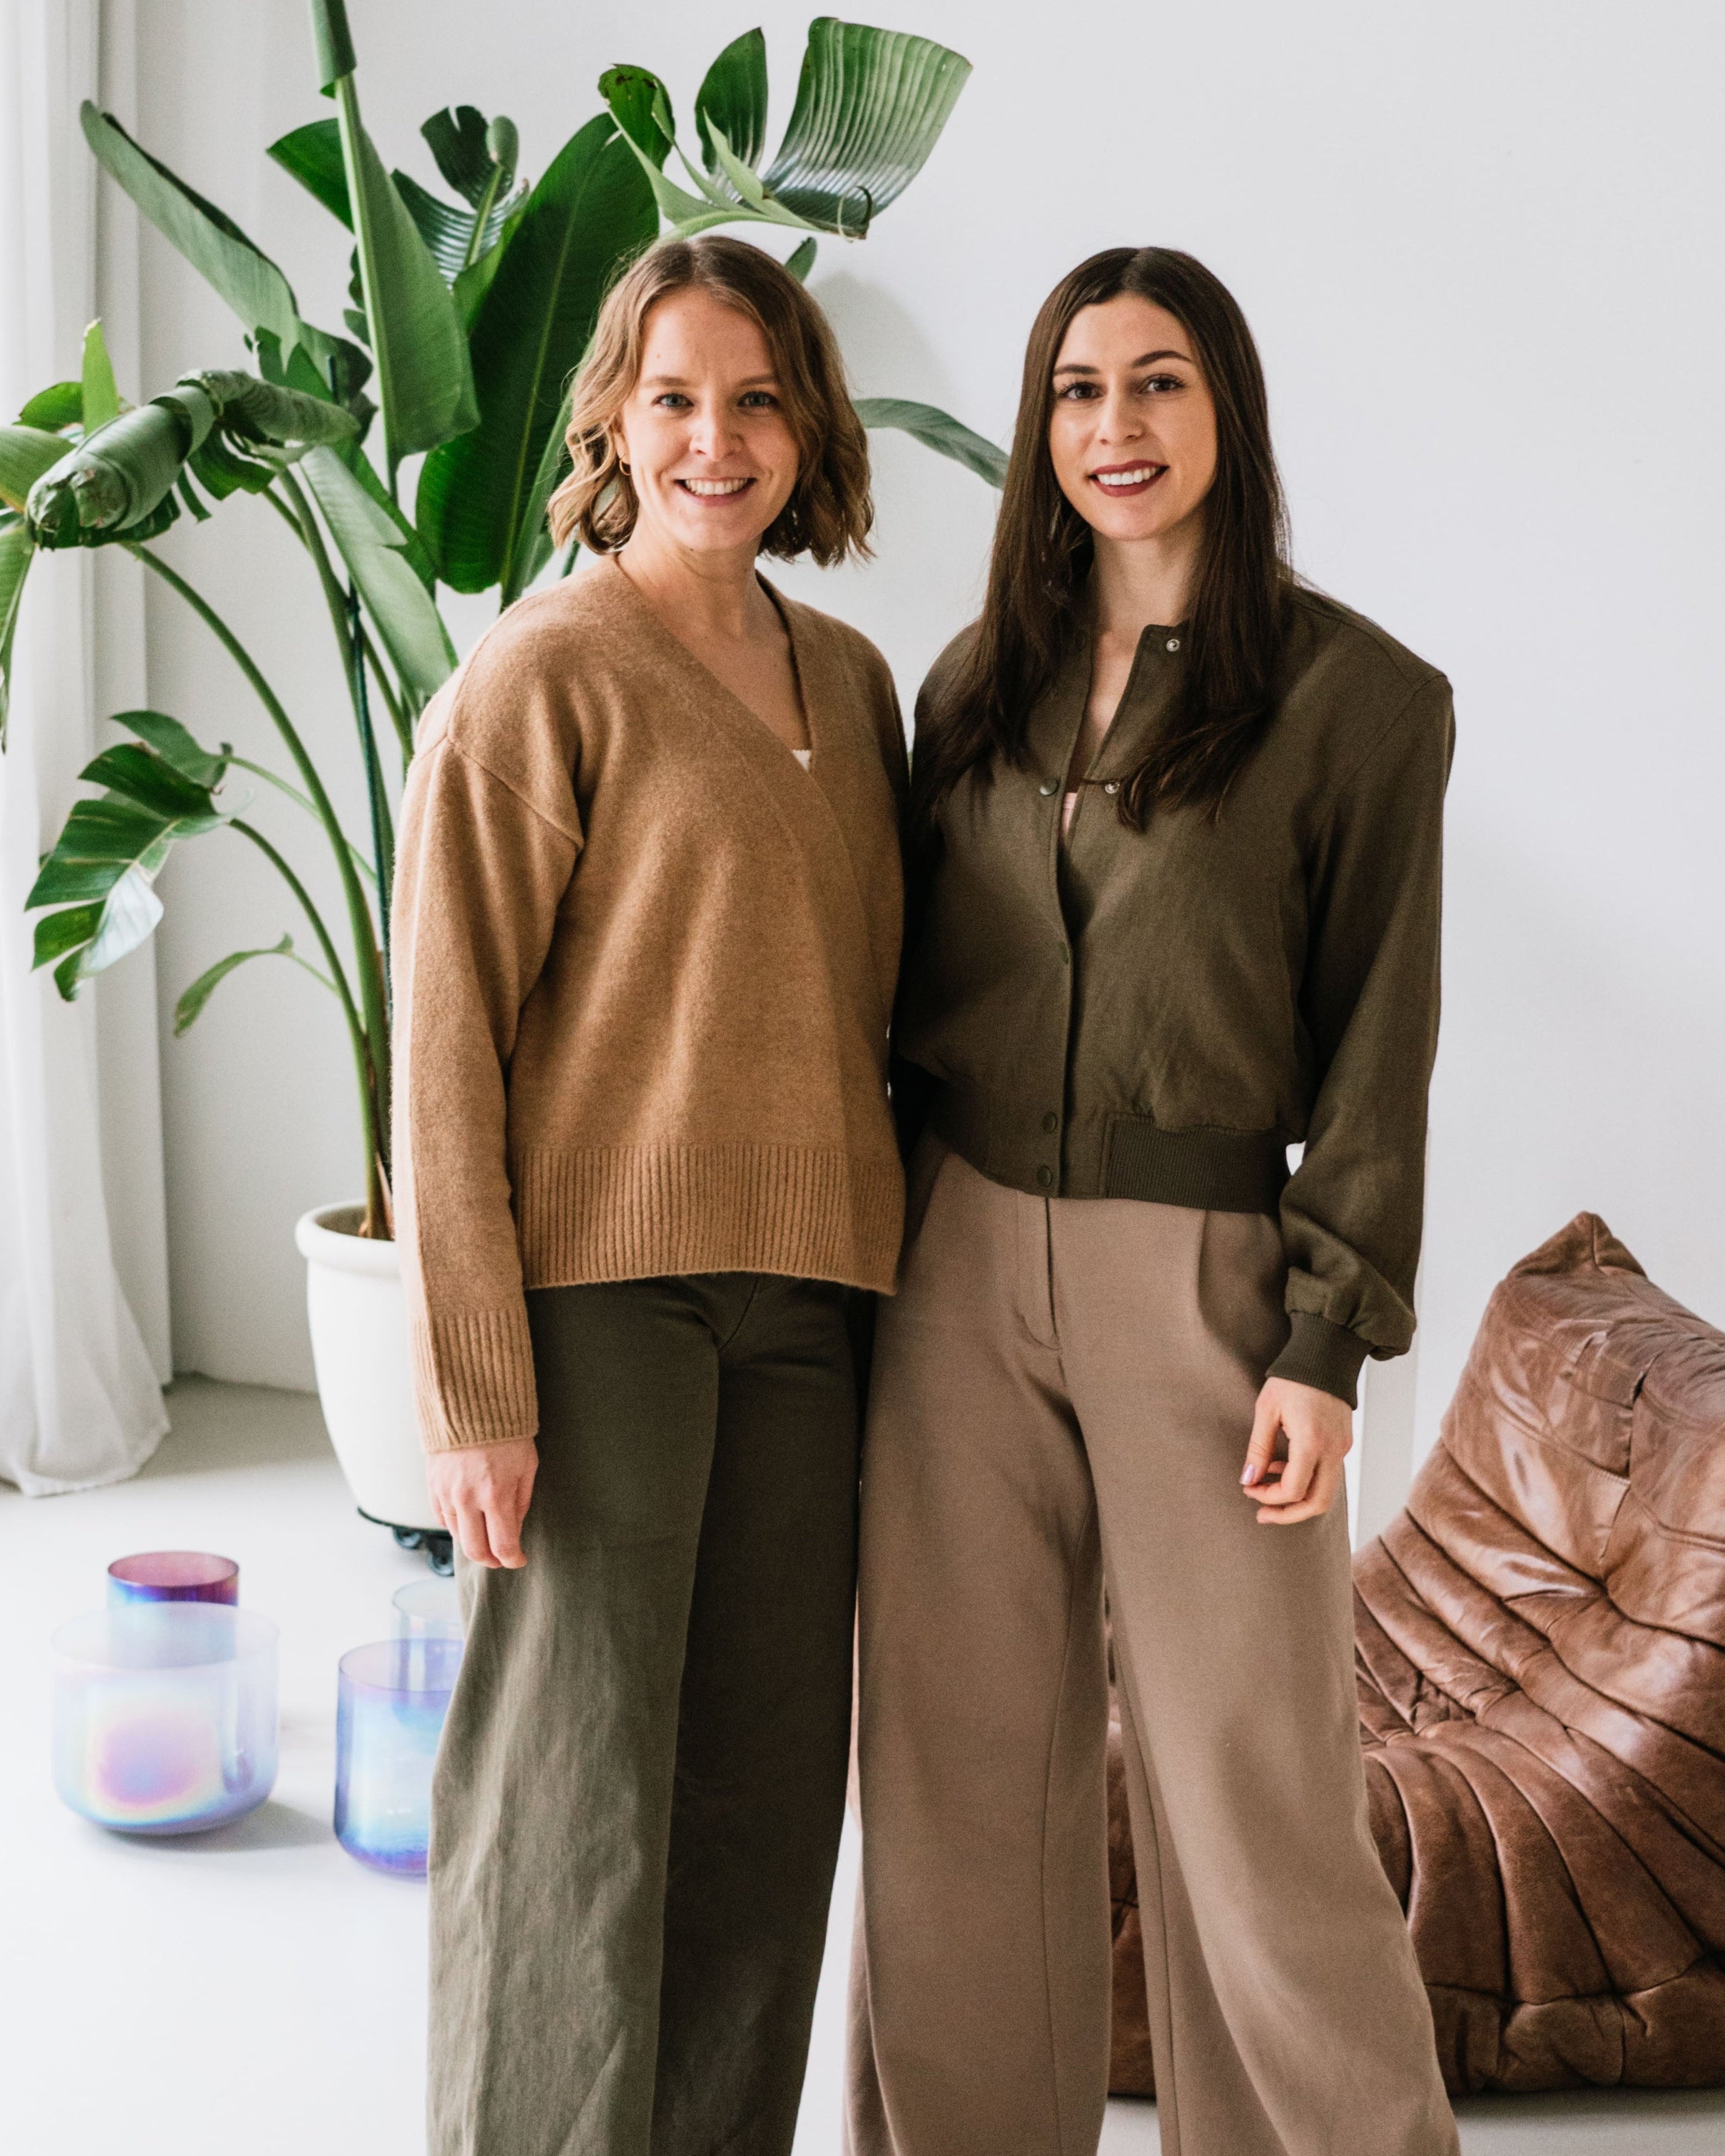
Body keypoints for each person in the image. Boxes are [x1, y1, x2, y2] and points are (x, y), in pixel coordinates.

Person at [847, 246, 1459, 2156]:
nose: (1116, 428)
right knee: (955, 1777)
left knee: (1251, 1787)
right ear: (1042, 432)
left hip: (1201, 1278)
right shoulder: (974, 687)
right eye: (1078, 392)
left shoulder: (1360, 701)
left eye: (1160, 383)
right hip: (953, 1262)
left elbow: (1378, 1040)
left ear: (1228, 412)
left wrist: (1324, 1341)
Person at [391, 233, 908, 2156]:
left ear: (806, 425)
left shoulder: (850, 687)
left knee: (763, 1804)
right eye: (675, 396)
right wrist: (475, 1391)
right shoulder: (541, 676)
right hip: (605, 1308)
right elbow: (440, 1050)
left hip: (816, 1307)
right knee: (574, 1794)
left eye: (757, 397)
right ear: (610, 416)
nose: (717, 438)